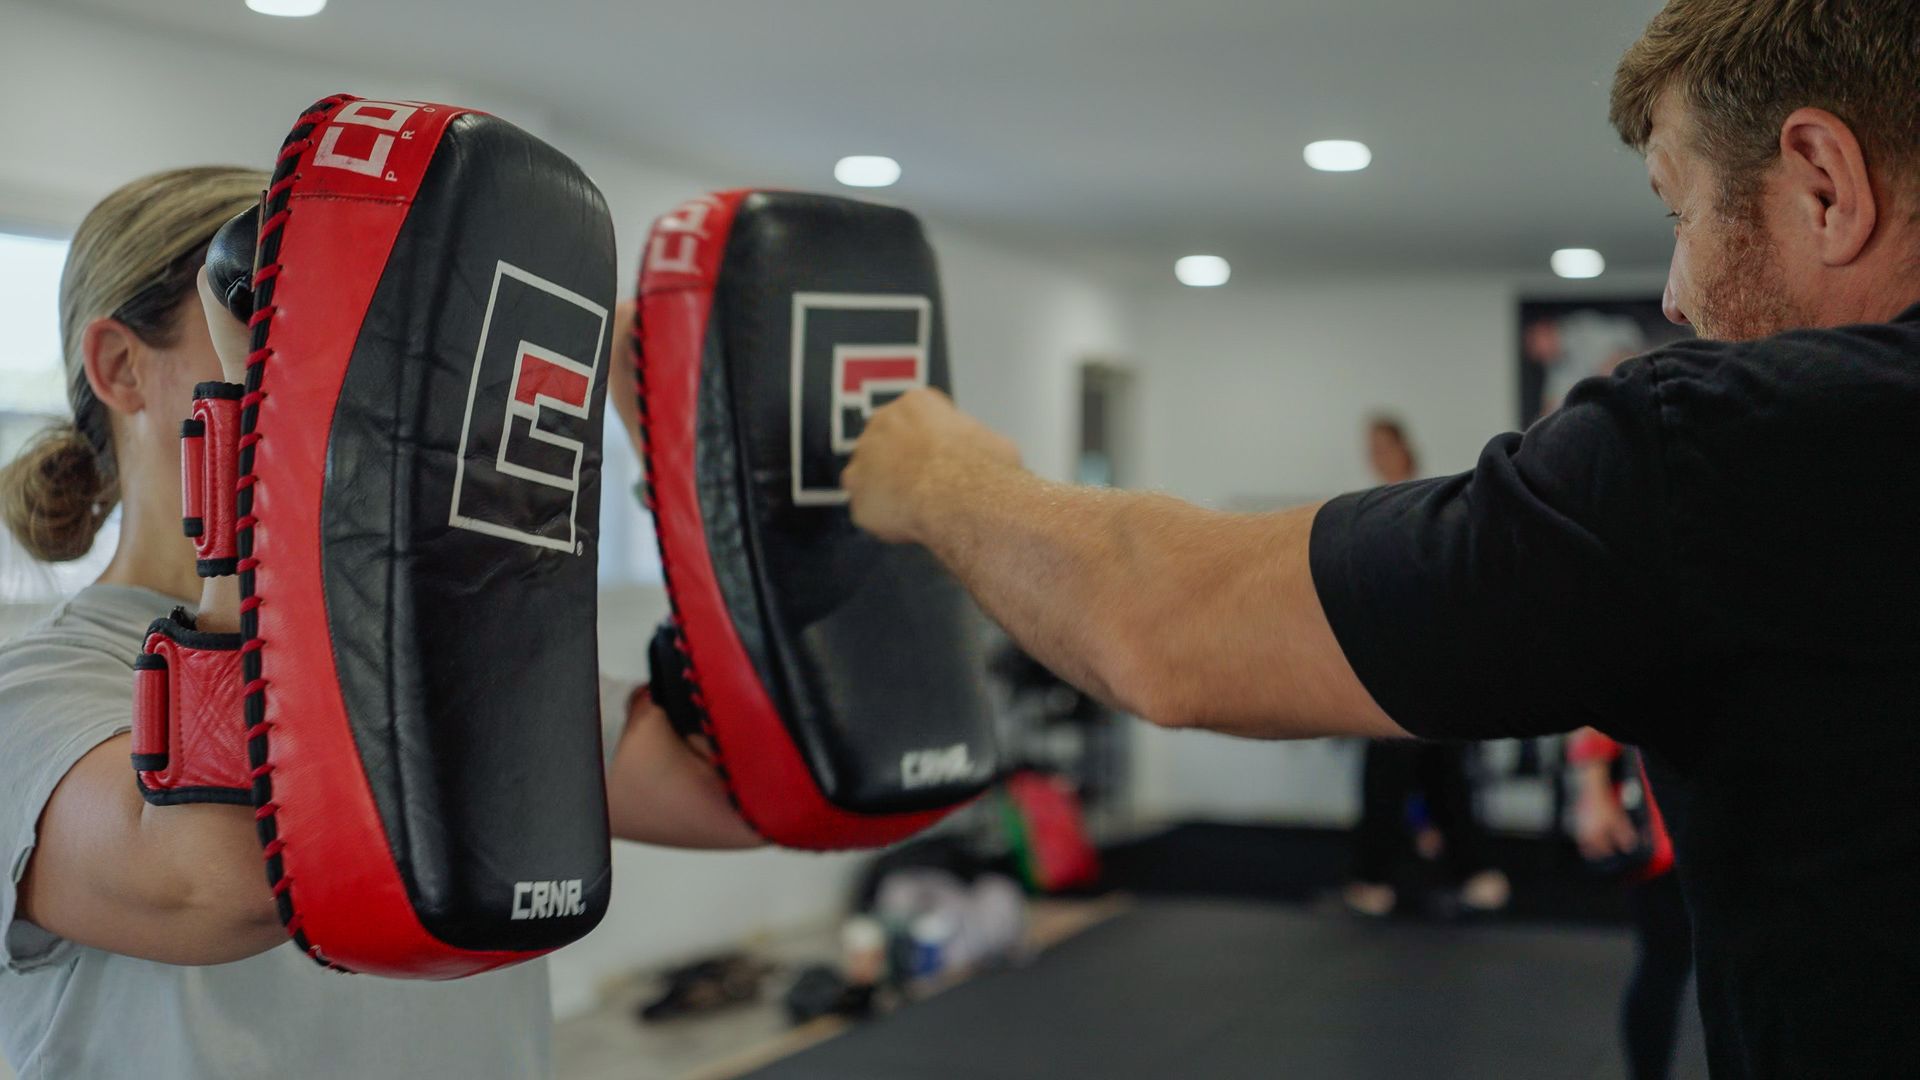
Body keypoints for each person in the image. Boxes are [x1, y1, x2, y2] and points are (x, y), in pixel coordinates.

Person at [842, 1, 1920, 1073]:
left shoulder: (1734, 448)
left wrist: (935, 473)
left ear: (1824, 181)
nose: (1676, 297)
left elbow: (1160, 627)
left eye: (1680, 215)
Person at [0, 167, 758, 1079]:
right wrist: (266, 422)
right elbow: (222, 880)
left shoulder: (425, 651)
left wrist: (666, 430)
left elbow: (724, 791)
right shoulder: (38, 691)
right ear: (122, 366)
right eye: (283, 309)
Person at [1342, 418, 1508, 917]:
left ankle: (1473, 871)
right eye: (1370, 446)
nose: (1376, 454)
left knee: (1445, 773)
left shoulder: (1431, 501)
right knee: (1385, 777)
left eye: (1383, 445)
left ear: (1402, 447)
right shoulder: (1364, 509)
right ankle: (1373, 879)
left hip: (1434, 662)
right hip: (1386, 669)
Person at [1571, 729, 1692, 1080]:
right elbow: (1601, 703)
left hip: (1743, 818)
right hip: (1669, 830)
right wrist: (1593, 793)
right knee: (1664, 961)